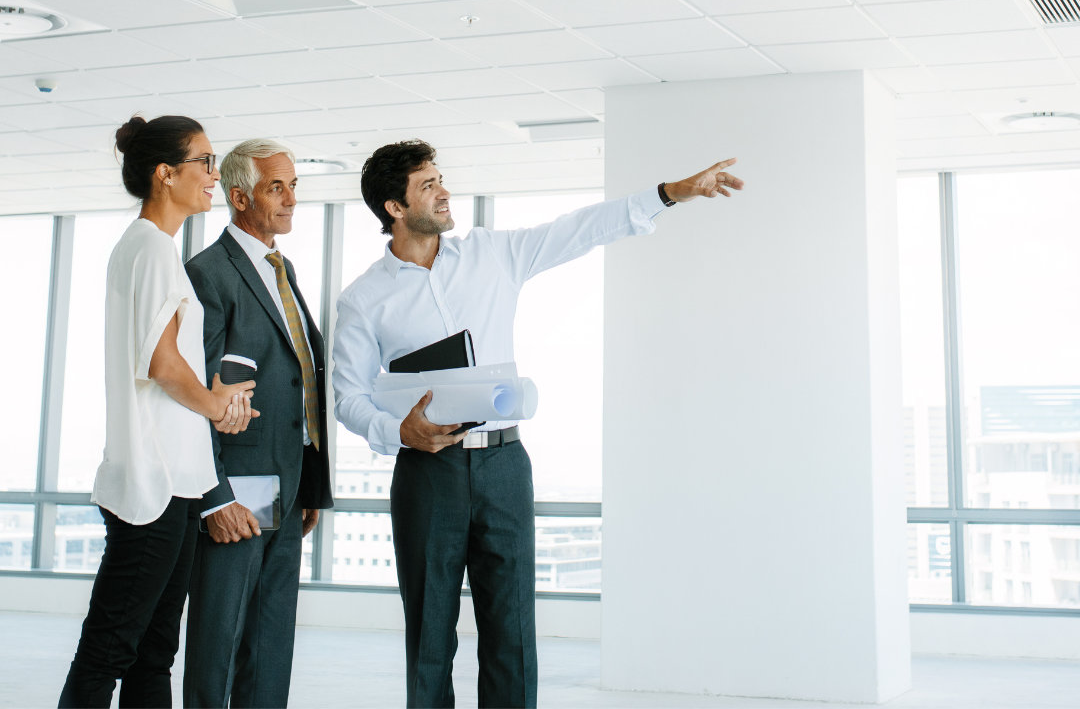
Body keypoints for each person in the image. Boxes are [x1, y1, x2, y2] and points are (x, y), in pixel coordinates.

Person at [332, 139, 744, 708]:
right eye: (428, 185)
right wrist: (397, 431)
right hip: (429, 472)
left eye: (440, 178)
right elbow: (349, 397)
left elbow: (579, 228)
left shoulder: (492, 254)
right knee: (429, 632)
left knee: (512, 628)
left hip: (503, 465)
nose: (445, 191)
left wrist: (669, 194)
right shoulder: (363, 299)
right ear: (394, 208)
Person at [59, 115, 256, 708]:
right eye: (203, 161)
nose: (213, 175)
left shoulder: (154, 249)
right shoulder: (149, 248)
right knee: (111, 650)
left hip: (176, 482)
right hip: (153, 487)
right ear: (165, 174)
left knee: (152, 652)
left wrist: (214, 398)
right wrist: (217, 404)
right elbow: (163, 363)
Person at [183, 140, 333, 708]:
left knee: (271, 644)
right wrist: (215, 497)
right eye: (277, 187)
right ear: (239, 195)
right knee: (219, 644)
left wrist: (308, 480)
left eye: (294, 186)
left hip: (287, 485)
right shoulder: (208, 274)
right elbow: (192, 396)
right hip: (236, 489)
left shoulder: (281, 267)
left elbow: (298, 378)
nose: (292, 199)